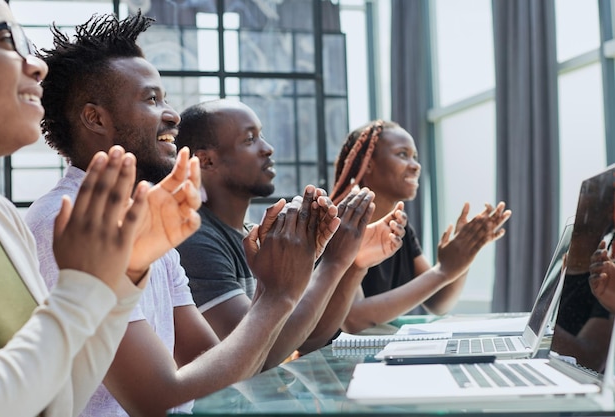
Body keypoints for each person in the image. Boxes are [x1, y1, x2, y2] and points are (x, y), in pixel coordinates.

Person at [25, 12, 336, 417]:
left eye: (165, 98)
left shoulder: (152, 227)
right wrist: (278, 296)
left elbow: (218, 363)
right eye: (152, 99)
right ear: (95, 118)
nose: (172, 114)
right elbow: (155, 398)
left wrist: (272, 282)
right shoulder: (60, 222)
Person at [0, 1, 201, 415]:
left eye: (28, 46)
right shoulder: (58, 219)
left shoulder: (2, 219)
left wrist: (123, 281)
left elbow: (58, 401)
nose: (36, 66)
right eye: (3, 40)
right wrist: (82, 294)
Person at [174, 99, 408, 362]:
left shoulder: (253, 234)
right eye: (250, 140)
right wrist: (333, 261)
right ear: (206, 161)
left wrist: (353, 263)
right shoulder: (196, 240)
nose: (268, 149)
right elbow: (260, 356)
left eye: (262, 136)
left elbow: (310, 339)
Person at [329, 119, 512, 333]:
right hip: (329, 362)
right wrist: (444, 270)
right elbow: (354, 318)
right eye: (402, 154)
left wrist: (464, 255)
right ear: (368, 164)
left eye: (414, 156)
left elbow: (438, 302)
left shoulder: (401, 229)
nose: (415, 165)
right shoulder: (341, 226)